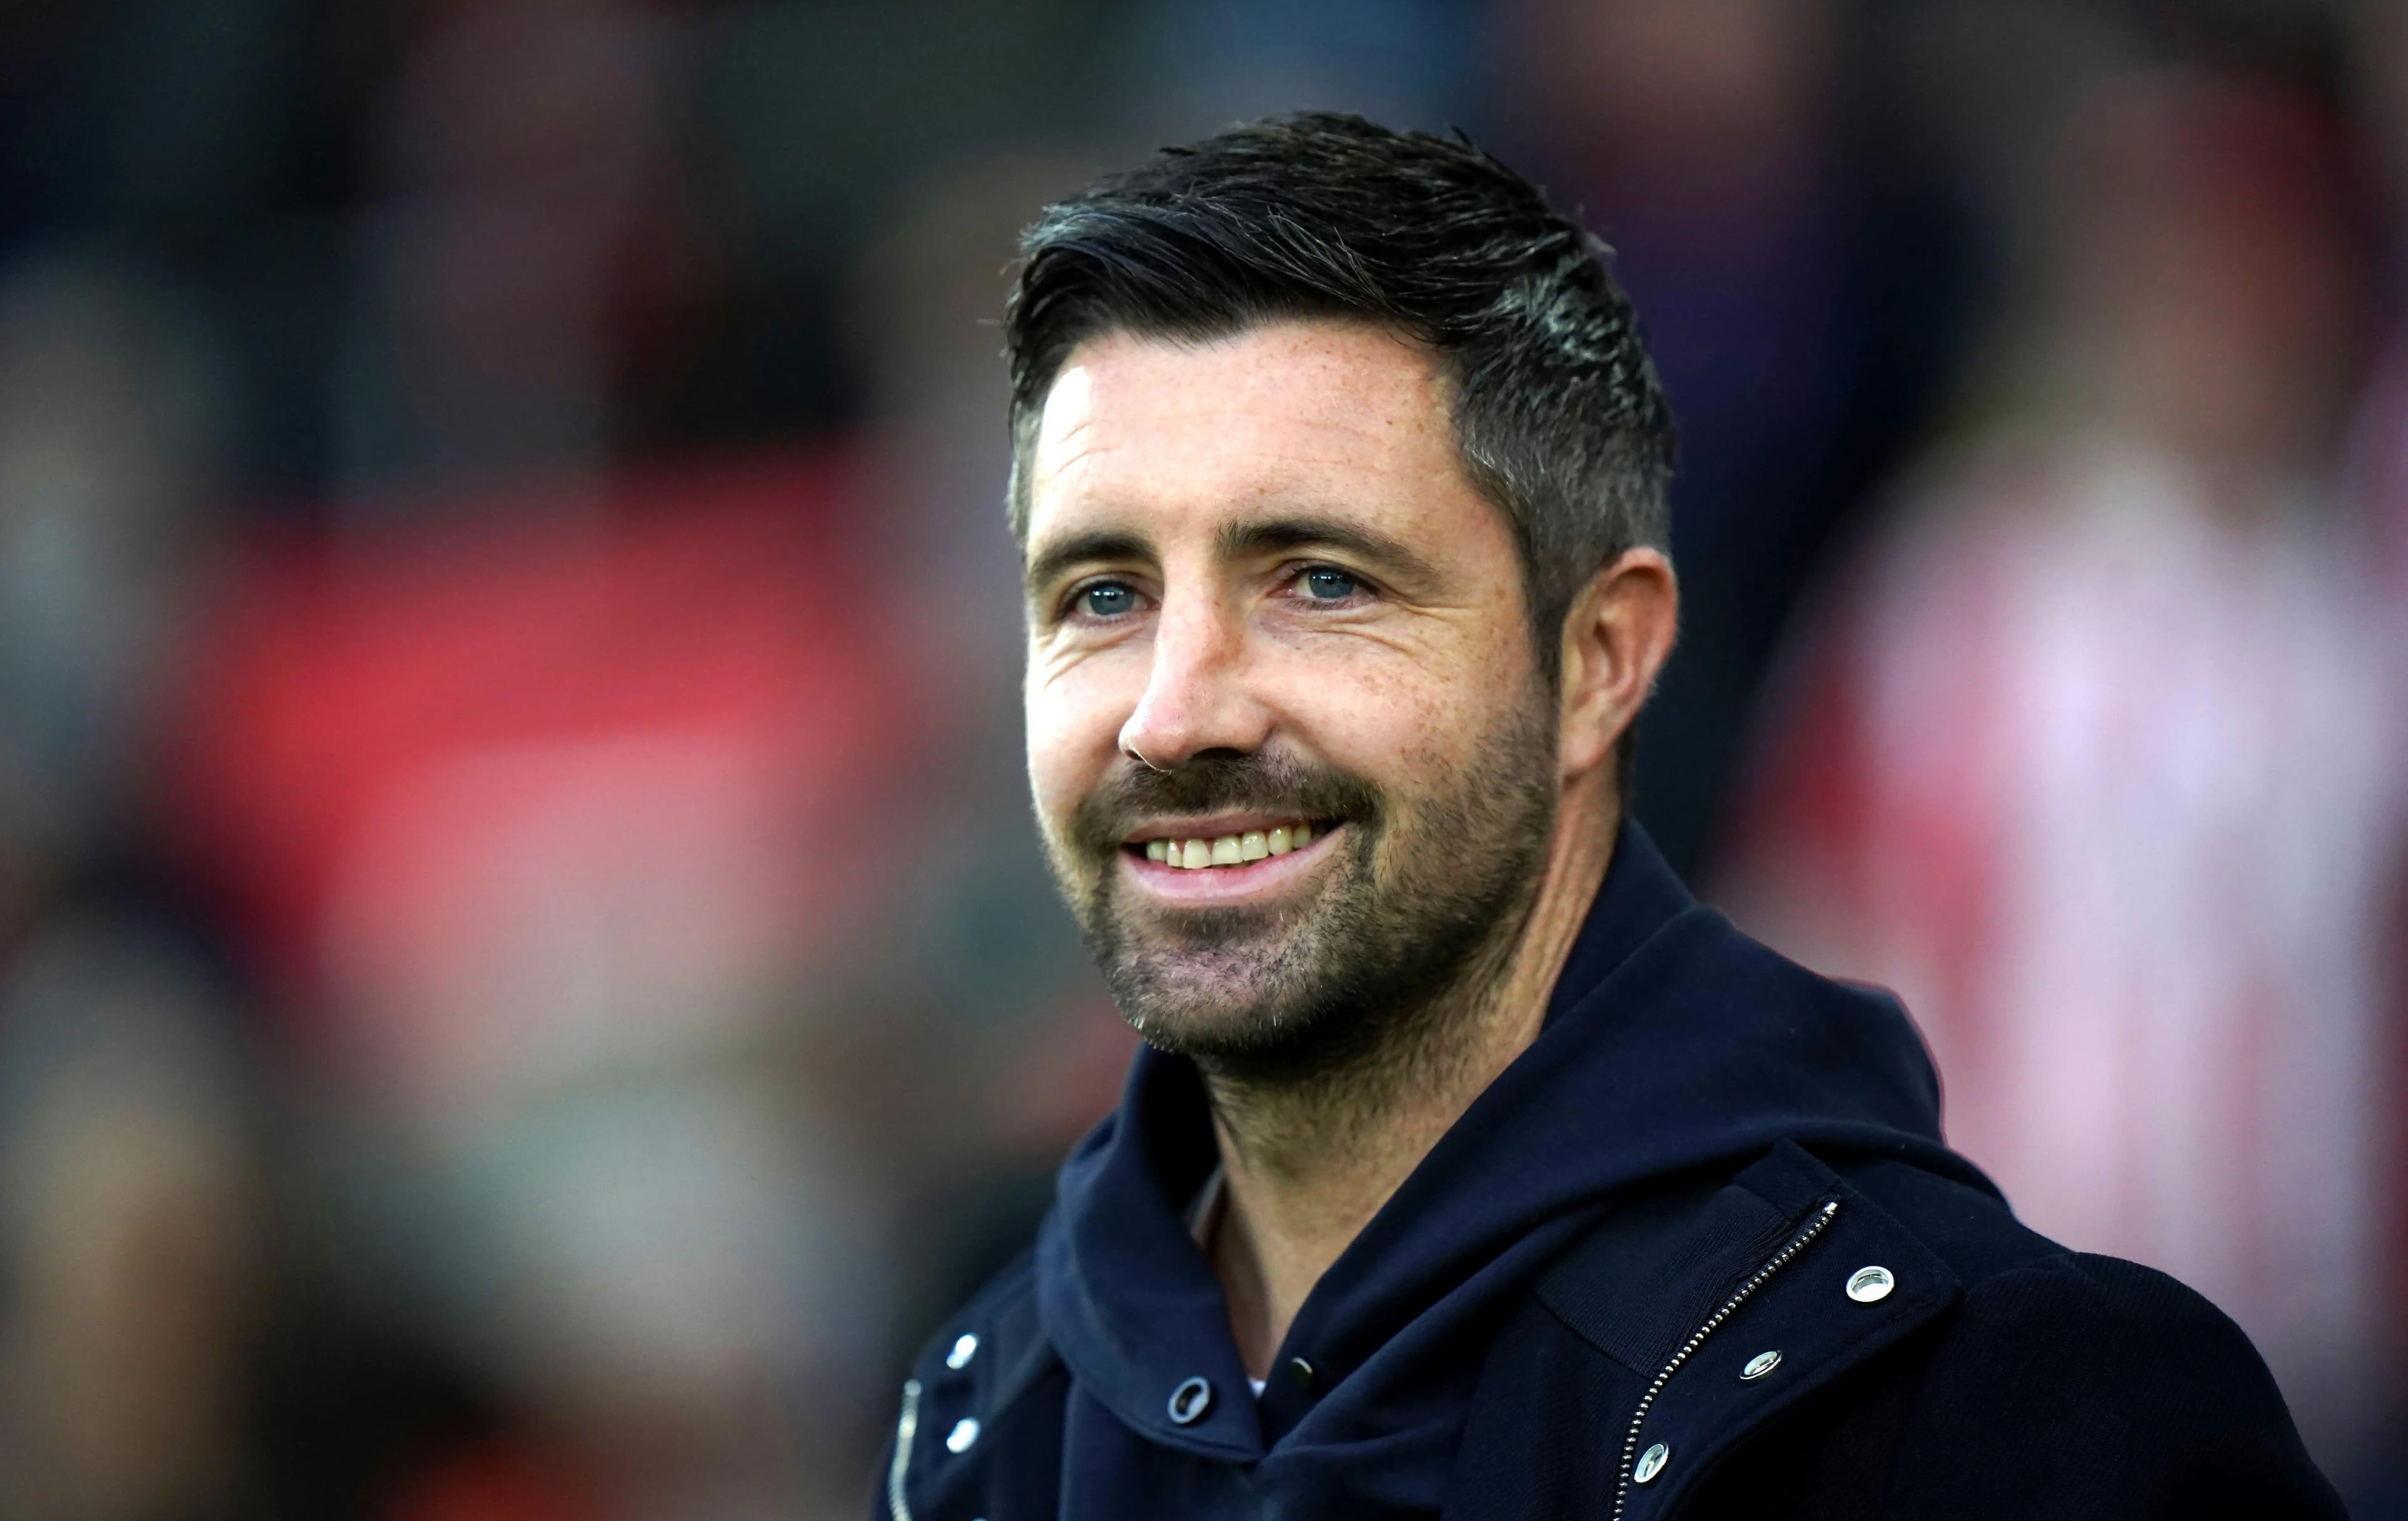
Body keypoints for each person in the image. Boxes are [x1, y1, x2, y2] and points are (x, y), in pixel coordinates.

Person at [874, 113, 2343, 1521]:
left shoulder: (2016, 1414)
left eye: (1320, 578)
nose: (1175, 712)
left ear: (1599, 659)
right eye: (1104, 595)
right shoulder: (983, 1426)